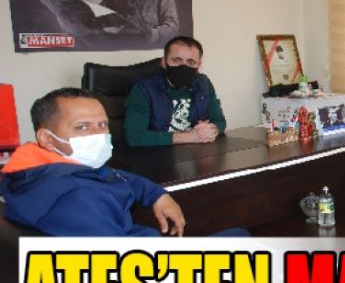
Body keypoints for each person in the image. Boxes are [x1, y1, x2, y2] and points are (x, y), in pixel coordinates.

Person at [0, 88, 247, 237]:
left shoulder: (46, 171)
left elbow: (117, 176)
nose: (98, 134)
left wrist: (157, 195)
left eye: (102, 124)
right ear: (47, 138)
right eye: (82, 127)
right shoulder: (78, 200)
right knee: (243, 241)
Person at [124, 36, 226, 146]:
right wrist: (189, 137)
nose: (184, 67)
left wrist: (212, 129)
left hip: (195, 150)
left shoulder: (203, 84)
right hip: (158, 152)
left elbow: (220, 121)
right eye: (177, 60)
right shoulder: (144, 88)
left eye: (191, 62)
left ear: (199, 65)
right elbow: (135, 136)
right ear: (164, 62)